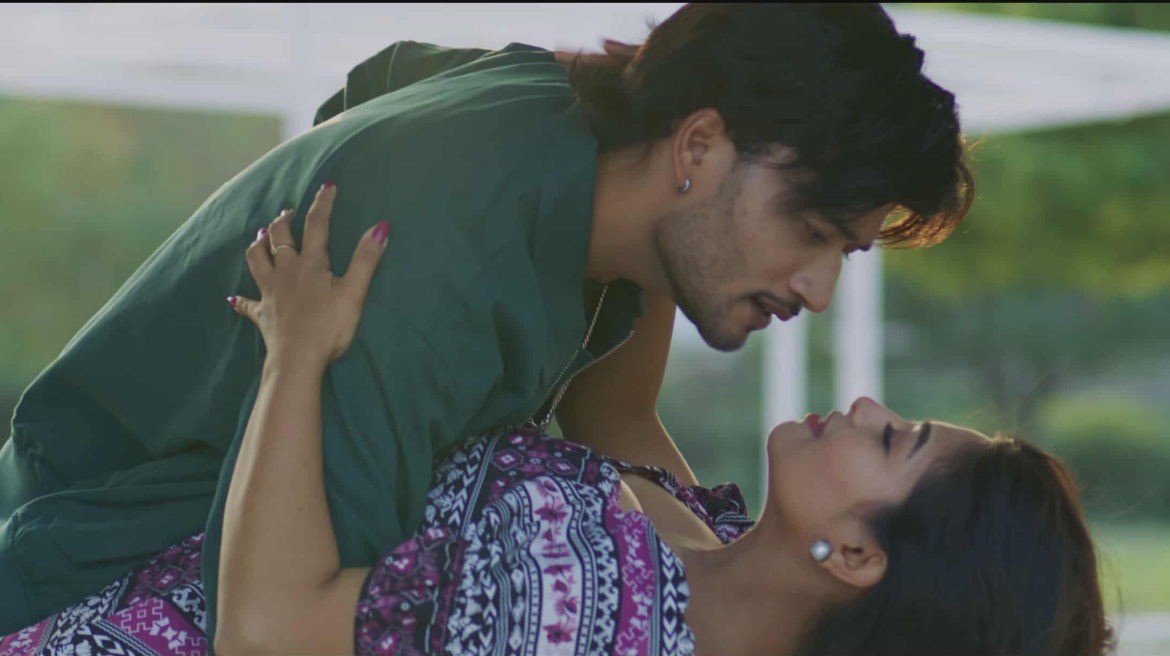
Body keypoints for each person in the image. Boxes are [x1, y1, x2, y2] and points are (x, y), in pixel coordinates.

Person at [0, 3, 974, 642]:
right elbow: (281, 629)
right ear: (700, 146)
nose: (817, 289)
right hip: (91, 584)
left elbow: (614, 418)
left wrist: (749, 587)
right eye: (811, 231)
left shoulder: (608, 172)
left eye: (844, 253)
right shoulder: (426, 272)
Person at [0, 195, 1110, 656]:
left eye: (894, 440)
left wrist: (296, 357)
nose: (866, 406)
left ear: (860, 555)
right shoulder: (702, 544)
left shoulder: (583, 624)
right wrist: (691, 207)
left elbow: (270, 633)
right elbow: (612, 406)